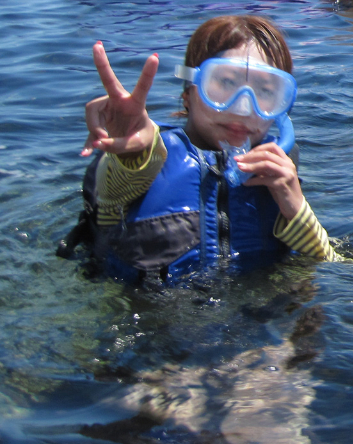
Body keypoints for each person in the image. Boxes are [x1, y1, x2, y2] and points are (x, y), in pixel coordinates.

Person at [63, 15, 338, 282]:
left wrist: (296, 209)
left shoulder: (279, 172)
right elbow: (118, 180)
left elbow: (334, 270)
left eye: (265, 91)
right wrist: (130, 150)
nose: (242, 108)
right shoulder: (146, 157)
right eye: (225, 83)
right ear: (189, 93)